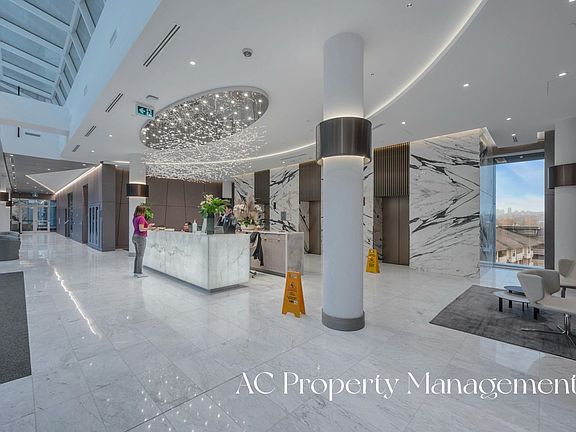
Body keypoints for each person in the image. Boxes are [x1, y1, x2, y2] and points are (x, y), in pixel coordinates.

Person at [132, 205, 154, 277]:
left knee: (138, 255)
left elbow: (139, 228)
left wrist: (148, 226)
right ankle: (139, 273)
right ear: (142, 211)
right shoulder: (141, 218)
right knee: (140, 255)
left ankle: (136, 272)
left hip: (135, 236)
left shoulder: (135, 218)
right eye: (145, 211)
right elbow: (141, 229)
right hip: (140, 238)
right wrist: (149, 228)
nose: (145, 212)